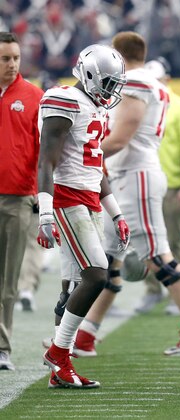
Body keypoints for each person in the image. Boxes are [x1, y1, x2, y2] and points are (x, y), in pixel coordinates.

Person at [73, 32, 180, 358]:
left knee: (156, 254)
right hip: (131, 175)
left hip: (136, 175)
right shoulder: (149, 81)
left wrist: (82, 153)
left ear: (117, 54)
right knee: (108, 260)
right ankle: (85, 336)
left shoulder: (135, 82)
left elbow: (122, 136)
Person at [38, 44, 130, 388]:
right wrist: (45, 212)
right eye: (107, 83)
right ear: (89, 74)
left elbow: (96, 165)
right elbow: (46, 159)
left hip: (89, 199)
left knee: (73, 286)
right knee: (96, 275)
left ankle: (59, 370)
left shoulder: (95, 107)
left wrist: (116, 213)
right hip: (66, 198)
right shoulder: (63, 99)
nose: (111, 91)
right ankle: (59, 353)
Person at [133, 57, 180, 315]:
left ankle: (177, 294)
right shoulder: (142, 104)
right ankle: (153, 290)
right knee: (147, 243)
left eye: (156, 80)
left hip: (171, 186)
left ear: (167, 80)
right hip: (145, 182)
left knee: (171, 241)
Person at [0, 32, 44, 371]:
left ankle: (2, 348)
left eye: (15, 57)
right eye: (5, 58)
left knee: (8, 279)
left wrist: (45, 200)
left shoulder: (33, 97)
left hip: (17, 199)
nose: (11, 64)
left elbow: (45, 154)